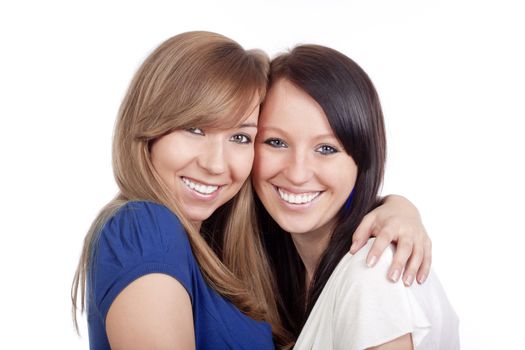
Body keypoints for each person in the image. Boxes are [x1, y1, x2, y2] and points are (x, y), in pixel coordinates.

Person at [71, 32, 433, 349]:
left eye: (240, 137)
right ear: (147, 128)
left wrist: (394, 206)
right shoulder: (145, 226)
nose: (216, 164)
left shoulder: (226, 249)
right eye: (195, 129)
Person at [253, 45, 459, 349]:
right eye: (275, 142)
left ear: (362, 159)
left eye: (326, 149)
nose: (297, 174)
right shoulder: (281, 263)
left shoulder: (373, 274)